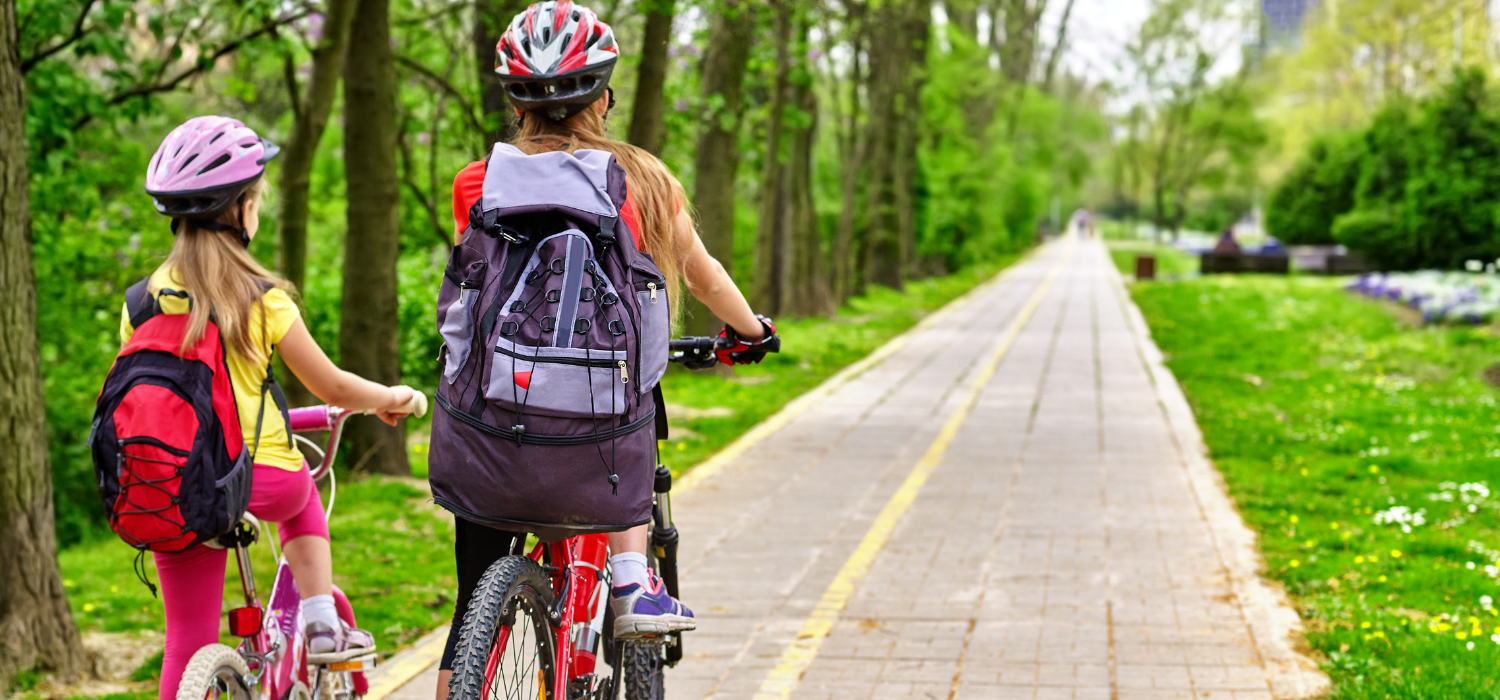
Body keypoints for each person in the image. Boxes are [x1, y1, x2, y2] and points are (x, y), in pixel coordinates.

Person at [433, 3, 776, 696]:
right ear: (605, 95)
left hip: (493, 426)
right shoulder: (647, 182)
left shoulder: (479, 183)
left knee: (474, 603)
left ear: (515, 99)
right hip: (600, 435)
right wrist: (750, 333)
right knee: (628, 438)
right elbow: (702, 275)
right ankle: (628, 583)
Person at [128, 116, 426, 700]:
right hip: (256, 477)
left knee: (185, 642)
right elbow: (333, 388)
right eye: (256, 199)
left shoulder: (142, 300)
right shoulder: (260, 298)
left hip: (169, 485)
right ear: (240, 210)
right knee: (302, 494)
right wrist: (393, 397)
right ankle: (320, 623)